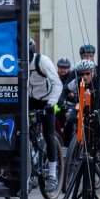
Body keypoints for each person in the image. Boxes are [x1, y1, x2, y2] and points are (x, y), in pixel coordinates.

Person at [27, 38, 63, 188]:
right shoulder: (15, 63)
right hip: (30, 99)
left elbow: (57, 83)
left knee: (49, 134)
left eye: (26, 54)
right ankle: (31, 171)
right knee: (24, 134)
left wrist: (51, 103)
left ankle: (52, 175)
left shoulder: (42, 61)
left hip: (46, 99)